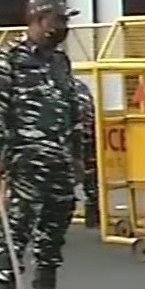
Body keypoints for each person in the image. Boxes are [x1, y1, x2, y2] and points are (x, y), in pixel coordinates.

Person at [0, 0, 86, 289]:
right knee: (16, 231)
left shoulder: (60, 61)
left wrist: (77, 155)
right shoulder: (7, 59)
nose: (64, 27)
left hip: (57, 157)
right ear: (40, 20)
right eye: (59, 20)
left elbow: (71, 108)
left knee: (54, 228)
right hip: (25, 158)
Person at [50, 47, 103, 229]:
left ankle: (63, 212)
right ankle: (92, 208)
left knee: (62, 176)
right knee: (90, 173)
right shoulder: (79, 86)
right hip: (86, 136)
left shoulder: (56, 90)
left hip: (70, 139)